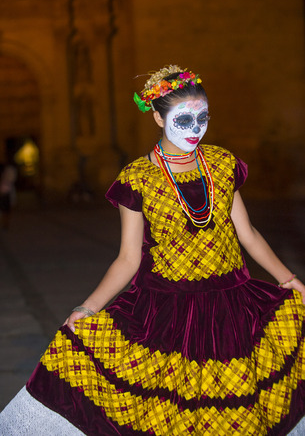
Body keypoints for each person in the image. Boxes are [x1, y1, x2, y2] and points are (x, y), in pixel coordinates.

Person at [1, 65, 305, 435]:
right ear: (158, 117)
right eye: (184, 119)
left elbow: (248, 233)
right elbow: (128, 257)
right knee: (172, 415)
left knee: (235, 412)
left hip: (233, 306)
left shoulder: (222, 164)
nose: (195, 128)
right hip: (167, 312)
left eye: (203, 117)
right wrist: (87, 307)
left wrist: (288, 279)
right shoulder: (138, 178)